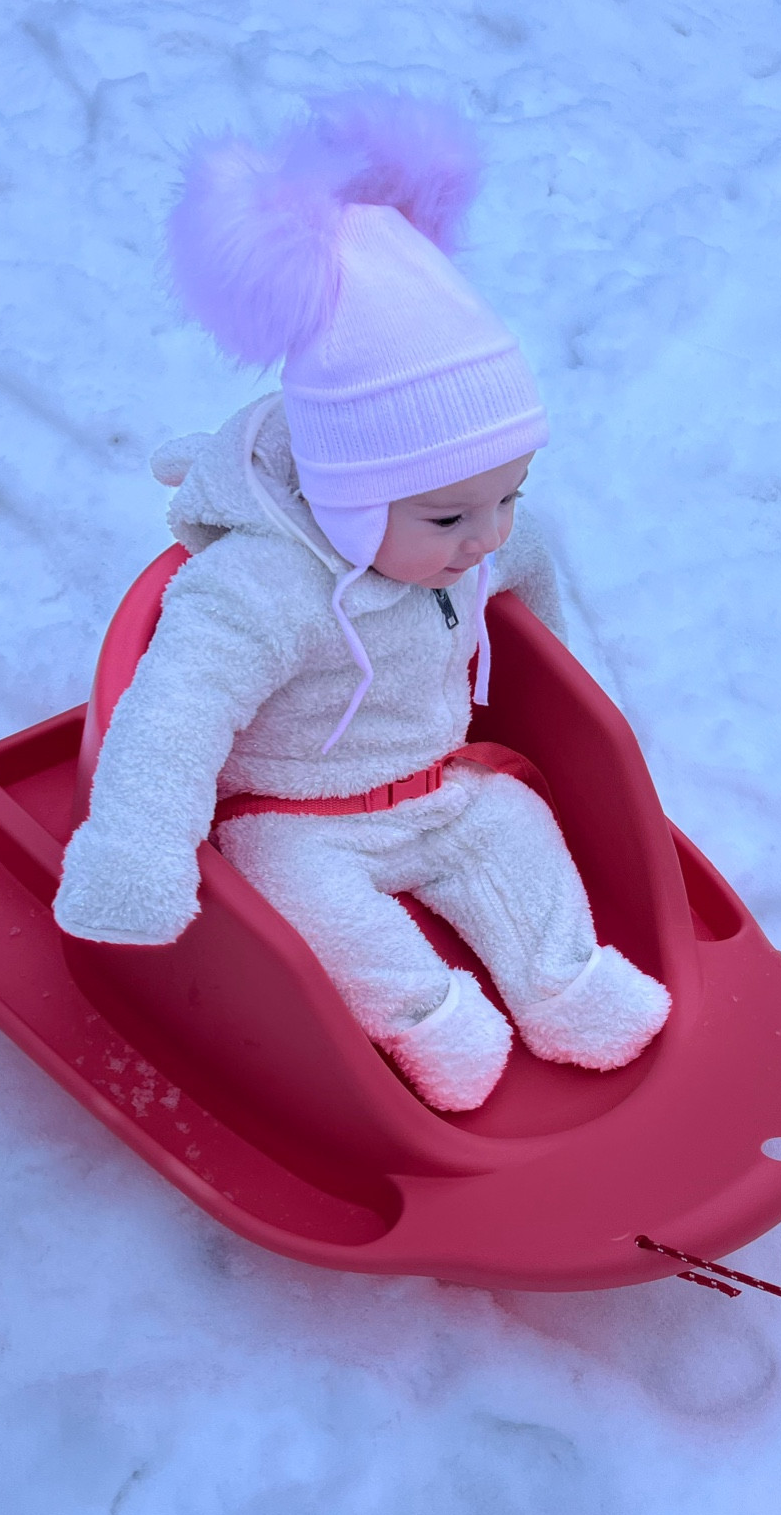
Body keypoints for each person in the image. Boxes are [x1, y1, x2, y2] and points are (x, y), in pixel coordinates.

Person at [54, 92, 669, 1111]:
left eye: (506, 495)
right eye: (447, 518)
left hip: (439, 783)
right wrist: (137, 852)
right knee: (300, 895)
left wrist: (544, 685)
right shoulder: (259, 590)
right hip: (295, 814)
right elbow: (171, 715)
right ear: (345, 496)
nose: (488, 538)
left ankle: (565, 980)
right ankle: (428, 1014)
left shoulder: (470, 540)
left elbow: (535, 584)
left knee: (515, 823)